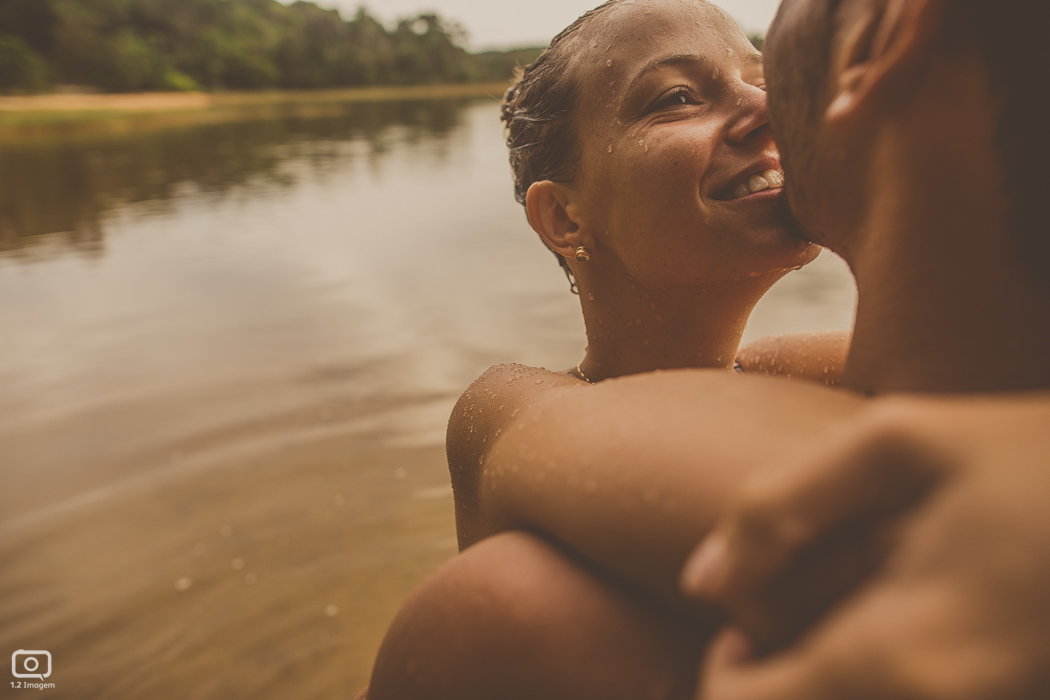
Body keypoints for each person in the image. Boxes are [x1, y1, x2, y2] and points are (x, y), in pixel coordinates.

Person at [364, 0, 1050, 696]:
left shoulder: (797, 367)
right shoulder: (510, 404)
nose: (765, 105)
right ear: (566, 217)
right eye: (678, 97)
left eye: (760, 76)